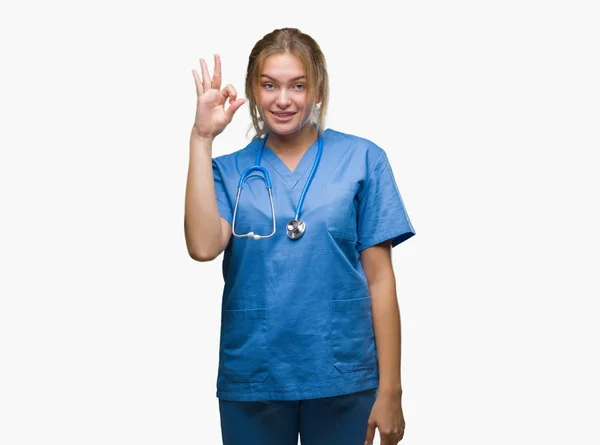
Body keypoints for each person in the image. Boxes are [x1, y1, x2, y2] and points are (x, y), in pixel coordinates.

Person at [184, 27, 415, 445]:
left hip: (342, 374)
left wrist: (391, 390)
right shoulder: (229, 170)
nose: (283, 99)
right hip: (255, 375)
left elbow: (381, 281)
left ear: (318, 90)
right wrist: (202, 139)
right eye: (269, 85)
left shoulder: (364, 159)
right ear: (254, 90)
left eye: (298, 85)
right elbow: (202, 247)